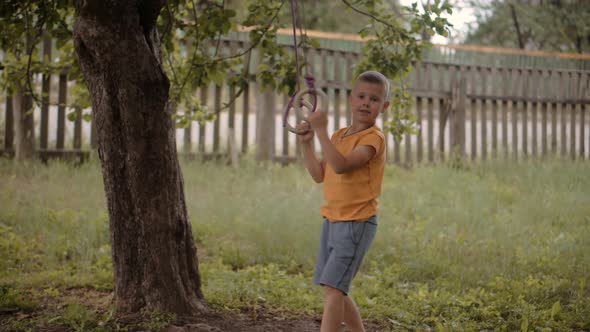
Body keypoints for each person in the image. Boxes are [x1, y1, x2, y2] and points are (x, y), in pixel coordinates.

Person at [298, 70, 390, 332]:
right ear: (351, 99)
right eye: (361, 96)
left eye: (374, 99)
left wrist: (320, 131)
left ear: (384, 107)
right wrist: (307, 144)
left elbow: (341, 166)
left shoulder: (373, 139)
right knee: (334, 287)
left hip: (356, 224)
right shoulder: (338, 136)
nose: (365, 103)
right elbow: (319, 174)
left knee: (334, 291)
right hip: (333, 220)